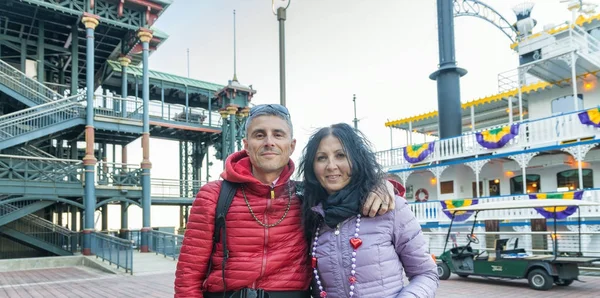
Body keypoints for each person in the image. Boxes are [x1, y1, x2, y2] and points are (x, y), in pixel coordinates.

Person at [174, 104, 397, 298]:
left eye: (278, 134)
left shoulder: (308, 195)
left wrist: (383, 184)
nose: (269, 142)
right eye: (259, 135)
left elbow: (349, 188)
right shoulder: (213, 196)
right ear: (246, 144)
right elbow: (188, 278)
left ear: (291, 146)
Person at [299, 123, 439, 298]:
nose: (331, 165)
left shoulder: (390, 207)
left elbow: (426, 274)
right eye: (321, 158)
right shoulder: (312, 215)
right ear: (312, 166)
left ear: (357, 159)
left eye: (341, 155)